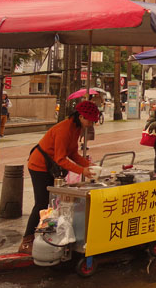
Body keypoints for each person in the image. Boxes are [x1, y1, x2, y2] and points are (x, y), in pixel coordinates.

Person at [18, 100, 99, 254]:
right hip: (39, 166)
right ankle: (26, 241)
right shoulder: (64, 129)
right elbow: (61, 159)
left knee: (51, 203)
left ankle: (46, 236)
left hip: (50, 167)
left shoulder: (76, 128)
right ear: (81, 116)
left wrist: (89, 165)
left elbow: (73, 153)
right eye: (90, 120)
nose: (91, 123)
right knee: (41, 203)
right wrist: (82, 170)